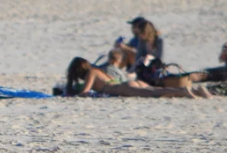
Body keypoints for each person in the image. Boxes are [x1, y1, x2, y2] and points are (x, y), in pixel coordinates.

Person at [65, 57, 208, 98]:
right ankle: (196, 91)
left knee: (156, 93)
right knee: (156, 90)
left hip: (123, 89)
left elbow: (84, 92)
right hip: (130, 83)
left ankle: (183, 91)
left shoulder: (91, 73)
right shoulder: (98, 70)